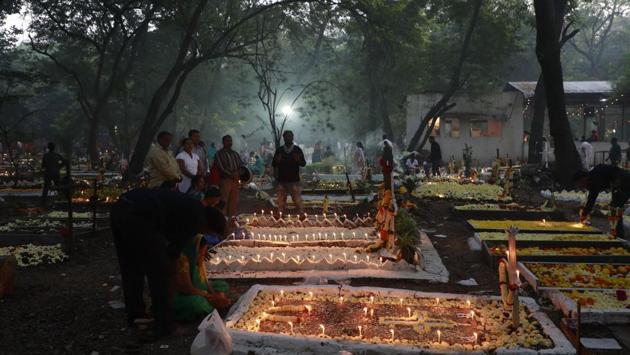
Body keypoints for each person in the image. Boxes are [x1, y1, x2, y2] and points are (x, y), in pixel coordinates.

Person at [110, 189, 227, 338]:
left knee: (131, 266)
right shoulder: (196, 220)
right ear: (208, 226)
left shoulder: (193, 208)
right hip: (139, 217)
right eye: (210, 234)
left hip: (121, 208)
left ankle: (136, 315)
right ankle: (164, 325)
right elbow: (173, 255)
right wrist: (170, 287)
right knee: (159, 272)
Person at [172, 215, 231, 322]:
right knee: (198, 303)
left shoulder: (198, 260)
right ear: (193, 249)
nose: (201, 256)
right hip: (181, 296)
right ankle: (211, 307)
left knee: (222, 285)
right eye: (200, 253)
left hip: (199, 291)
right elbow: (187, 289)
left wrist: (215, 294)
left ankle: (216, 302)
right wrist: (209, 297)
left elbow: (207, 282)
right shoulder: (182, 260)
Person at [574, 164, 630, 239]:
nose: (581, 186)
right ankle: (617, 234)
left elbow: (616, 172)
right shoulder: (592, 181)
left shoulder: (597, 172)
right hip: (621, 184)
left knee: (614, 209)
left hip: (625, 181)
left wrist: (617, 186)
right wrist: (584, 213)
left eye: (580, 183)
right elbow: (591, 198)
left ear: (584, 178)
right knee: (614, 209)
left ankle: (619, 236)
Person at [273, 131, 307, 213]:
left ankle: (302, 218)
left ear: (292, 137)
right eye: (286, 136)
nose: (288, 138)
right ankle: (280, 219)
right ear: (283, 138)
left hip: (294, 180)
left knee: (297, 200)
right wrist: (277, 161)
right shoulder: (280, 150)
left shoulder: (297, 150)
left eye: (290, 136)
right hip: (282, 180)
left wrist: (298, 160)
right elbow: (274, 164)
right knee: (281, 202)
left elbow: (303, 163)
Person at [215, 135, 244, 217]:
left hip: (235, 180)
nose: (230, 142)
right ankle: (222, 219)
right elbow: (221, 168)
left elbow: (241, 165)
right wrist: (232, 175)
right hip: (225, 180)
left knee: (234, 201)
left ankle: (231, 219)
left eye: (231, 141)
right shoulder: (219, 153)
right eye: (228, 141)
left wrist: (239, 173)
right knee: (224, 200)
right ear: (223, 142)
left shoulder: (235, 154)